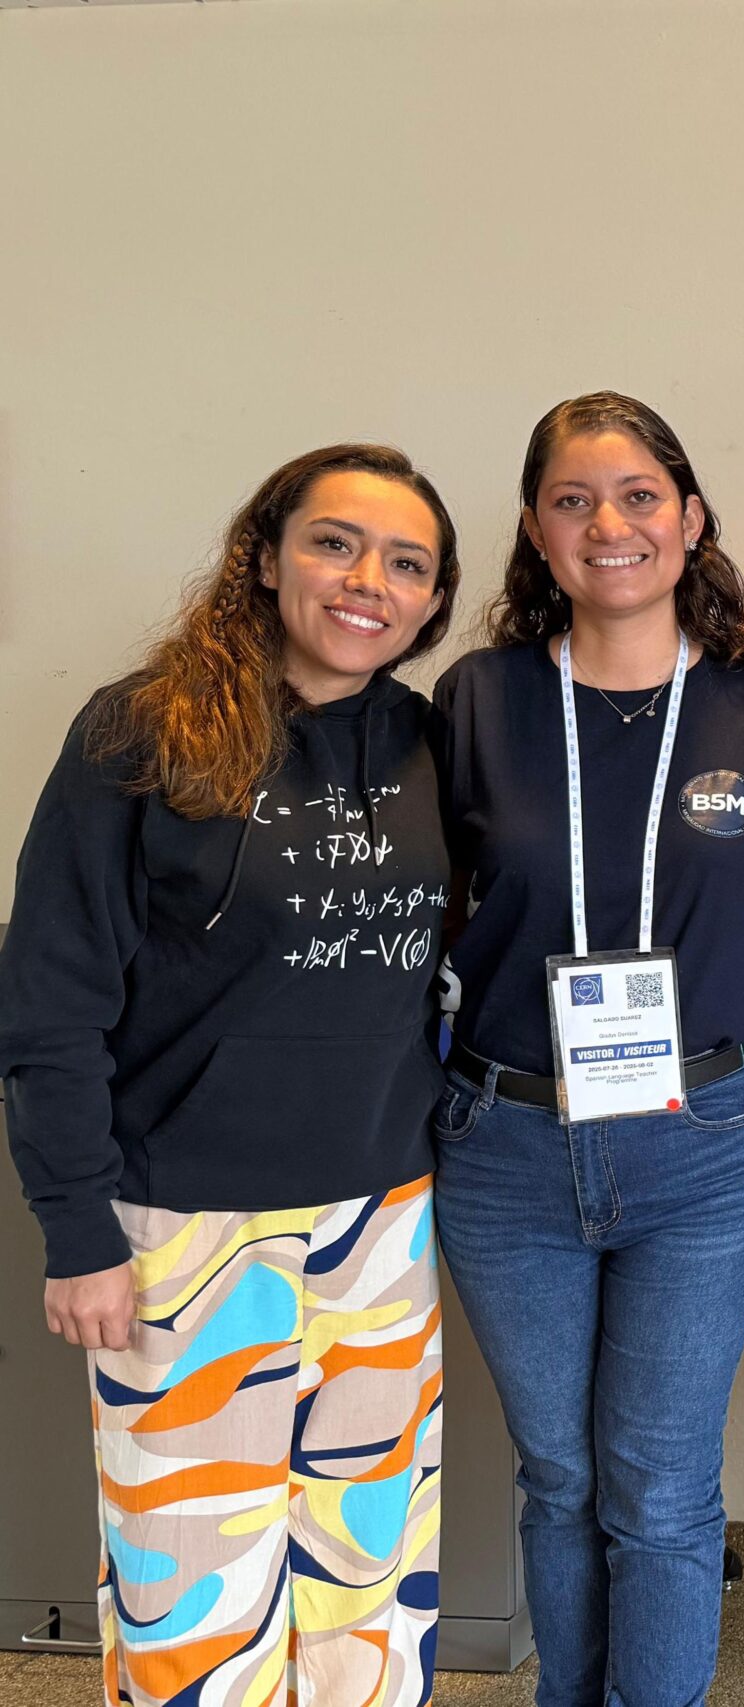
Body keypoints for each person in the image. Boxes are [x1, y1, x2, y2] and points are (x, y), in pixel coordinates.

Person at [0, 445, 459, 1707]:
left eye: (406, 563)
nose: (367, 580)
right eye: (334, 543)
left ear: (430, 601)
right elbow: (51, 998)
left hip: (382, 1224)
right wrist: (75, 1229)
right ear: (263, 556)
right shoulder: (140, 730)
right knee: (196, 1602)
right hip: (184, 1232)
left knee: (369, 1590)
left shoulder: (428, 744)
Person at [432, 392, 744, 1707]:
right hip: (507, 1143)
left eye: (641, 494)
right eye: (575, 499)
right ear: (537, 531)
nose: (611, 523)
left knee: (657, 1482)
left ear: (690, 519)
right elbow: (412, 906)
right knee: (560, 1477)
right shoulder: (477, 699)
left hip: (709, 1142)